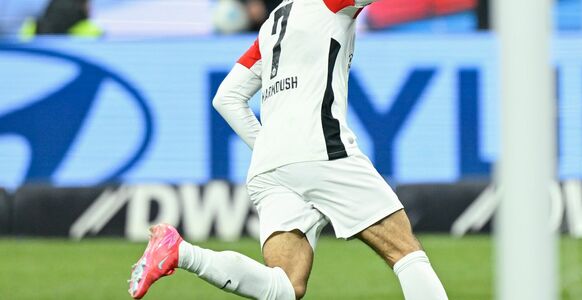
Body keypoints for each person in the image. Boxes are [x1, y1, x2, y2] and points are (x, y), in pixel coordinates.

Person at [127, 0, 449, 299]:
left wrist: (270, 147)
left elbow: (226, 97)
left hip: (269, 167)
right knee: (405, 251)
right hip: (322, 148)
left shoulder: (271, 25)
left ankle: (181, 253)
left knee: (285, 285)